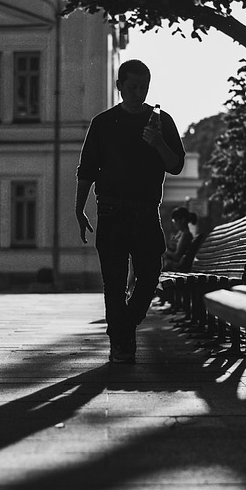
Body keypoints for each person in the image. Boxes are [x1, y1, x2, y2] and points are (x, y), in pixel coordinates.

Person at [76, 59, 185, 363]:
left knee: (150, 274)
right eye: (132, 87)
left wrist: (159, 143)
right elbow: (87, 168)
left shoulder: (161, 121)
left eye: (143, 87)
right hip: (110, 210)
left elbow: (176, 165)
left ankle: (123, 327)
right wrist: (79, 207)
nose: (138, 93)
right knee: (113, 281)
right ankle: (121, 344)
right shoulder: (103, 123)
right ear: (119, 86)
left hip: (146, 211)